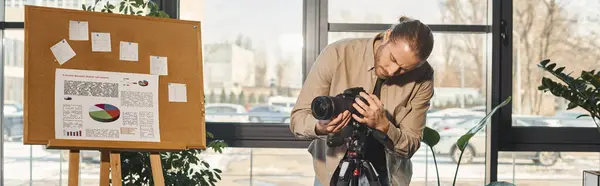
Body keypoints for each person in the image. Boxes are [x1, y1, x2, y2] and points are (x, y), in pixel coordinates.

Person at [289, 16, 435, 186]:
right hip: (333, 172)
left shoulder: (423, 76)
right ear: (387, 36)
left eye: (404, 69)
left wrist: (384, 126)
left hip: (387, 175)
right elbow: (298, 119)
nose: (393, 70)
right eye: (393, 59)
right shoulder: (338, 54)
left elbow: (411, 144)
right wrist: (320, 127)